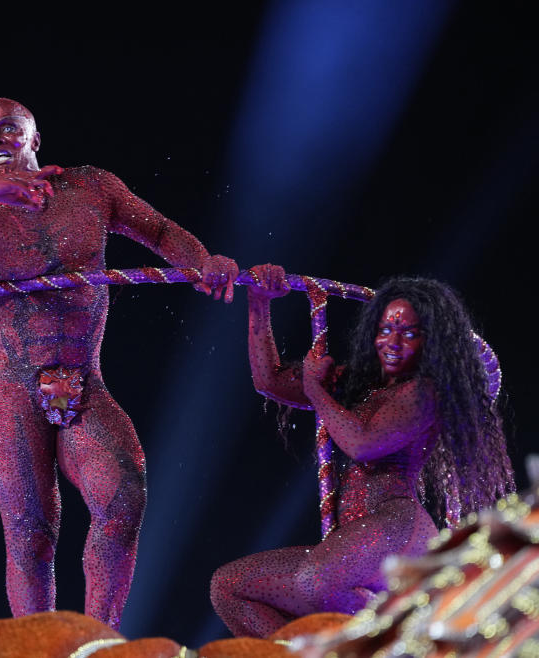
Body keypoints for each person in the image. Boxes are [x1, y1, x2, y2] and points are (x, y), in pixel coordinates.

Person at [0, 98, 239, 629]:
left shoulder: (89, 188)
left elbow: (158, 231)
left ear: (35, 139)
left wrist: (203, 263)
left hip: (84, 377)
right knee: (31, 533)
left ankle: (96, 640)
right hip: (13, 387)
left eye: (8, 128)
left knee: (123, 497)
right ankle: (38, 646)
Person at [210, 265, 515, 638]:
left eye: (409, 333)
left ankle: (405, 630)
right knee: (229, 587)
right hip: (356, 539)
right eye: (385, 329)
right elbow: (270, 380)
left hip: (395, 526)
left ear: (432, 341)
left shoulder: (426, 392)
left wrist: (317, 390)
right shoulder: (360, 386)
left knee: (316, 584)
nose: (392, 341)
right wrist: (260, 302)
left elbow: (362, 443)